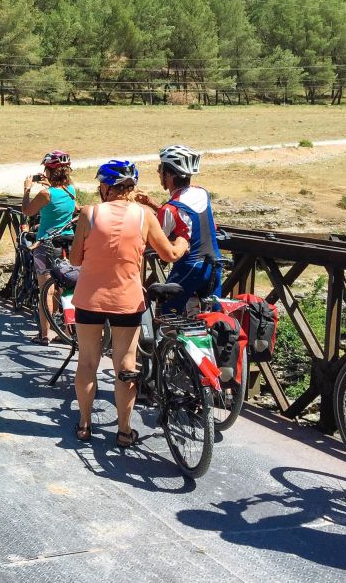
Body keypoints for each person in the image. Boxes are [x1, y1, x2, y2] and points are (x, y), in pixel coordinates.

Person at [70, 160, 188, 447]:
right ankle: (124, 431)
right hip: (127, 300)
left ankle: (84, 425)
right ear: (131, 187)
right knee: (125, 364)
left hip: (89, 298)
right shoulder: (144, 215)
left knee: (87, 362)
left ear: (105, 187)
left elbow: (74, 260)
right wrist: (184, 240)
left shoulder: (89, 213)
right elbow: (170, 254)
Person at [136, 145, 221, 316]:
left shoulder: (169, 209)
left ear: (169, 174)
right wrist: (152, 203)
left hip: (188, 267)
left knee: (167, 315)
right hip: (214, 264)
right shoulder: (202, 193)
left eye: (160, 168)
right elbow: (186, 217)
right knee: (214, 318)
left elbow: (158, 242)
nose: (158, 171)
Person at [22, 150, 77, 345]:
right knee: (68, 286)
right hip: (68, 242)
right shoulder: (71, 190)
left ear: (48, 171)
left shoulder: (46, 194)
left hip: (46, 243)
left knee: (47, 289)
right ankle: (69, 331)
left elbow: (27, 210)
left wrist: (27, 189)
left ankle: (45, 334)